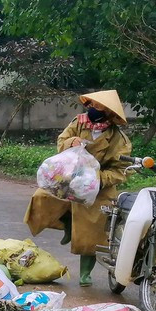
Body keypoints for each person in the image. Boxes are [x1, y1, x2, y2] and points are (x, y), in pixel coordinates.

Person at [24, 90, 132, 287]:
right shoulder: (79, 122)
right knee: (42, 197)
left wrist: (97, 179)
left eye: (98, 107)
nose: (92, 109)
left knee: (92, 226)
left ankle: (85, 272)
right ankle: (68, 225)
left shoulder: (119, 139)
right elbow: (61, 141)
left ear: (108, 112)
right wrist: (70, 143)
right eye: (91, 105)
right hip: (69, 177)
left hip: (98, 187)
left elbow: (121, 170)